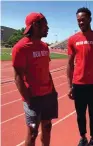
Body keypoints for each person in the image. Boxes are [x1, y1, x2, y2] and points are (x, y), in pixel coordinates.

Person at [12, 12, 58, 146]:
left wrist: (53, 91)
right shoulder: (20, 48)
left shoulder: (44, 47)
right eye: (45, 24)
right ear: (35, 25)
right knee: (32, 133)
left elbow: (46, 71)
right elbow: (18, 76)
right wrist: (28, 99)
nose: (48, 28)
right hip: (33, 99)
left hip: (48, 96)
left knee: (47, 126)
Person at [67, 7, 93, 146]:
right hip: (78, 84)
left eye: (83, 20)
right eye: (78, 20)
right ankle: (83, 137)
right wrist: (70, 85)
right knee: (80, 115)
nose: (80, 23)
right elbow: (69, 64)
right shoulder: (73, 39)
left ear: (90, 19)